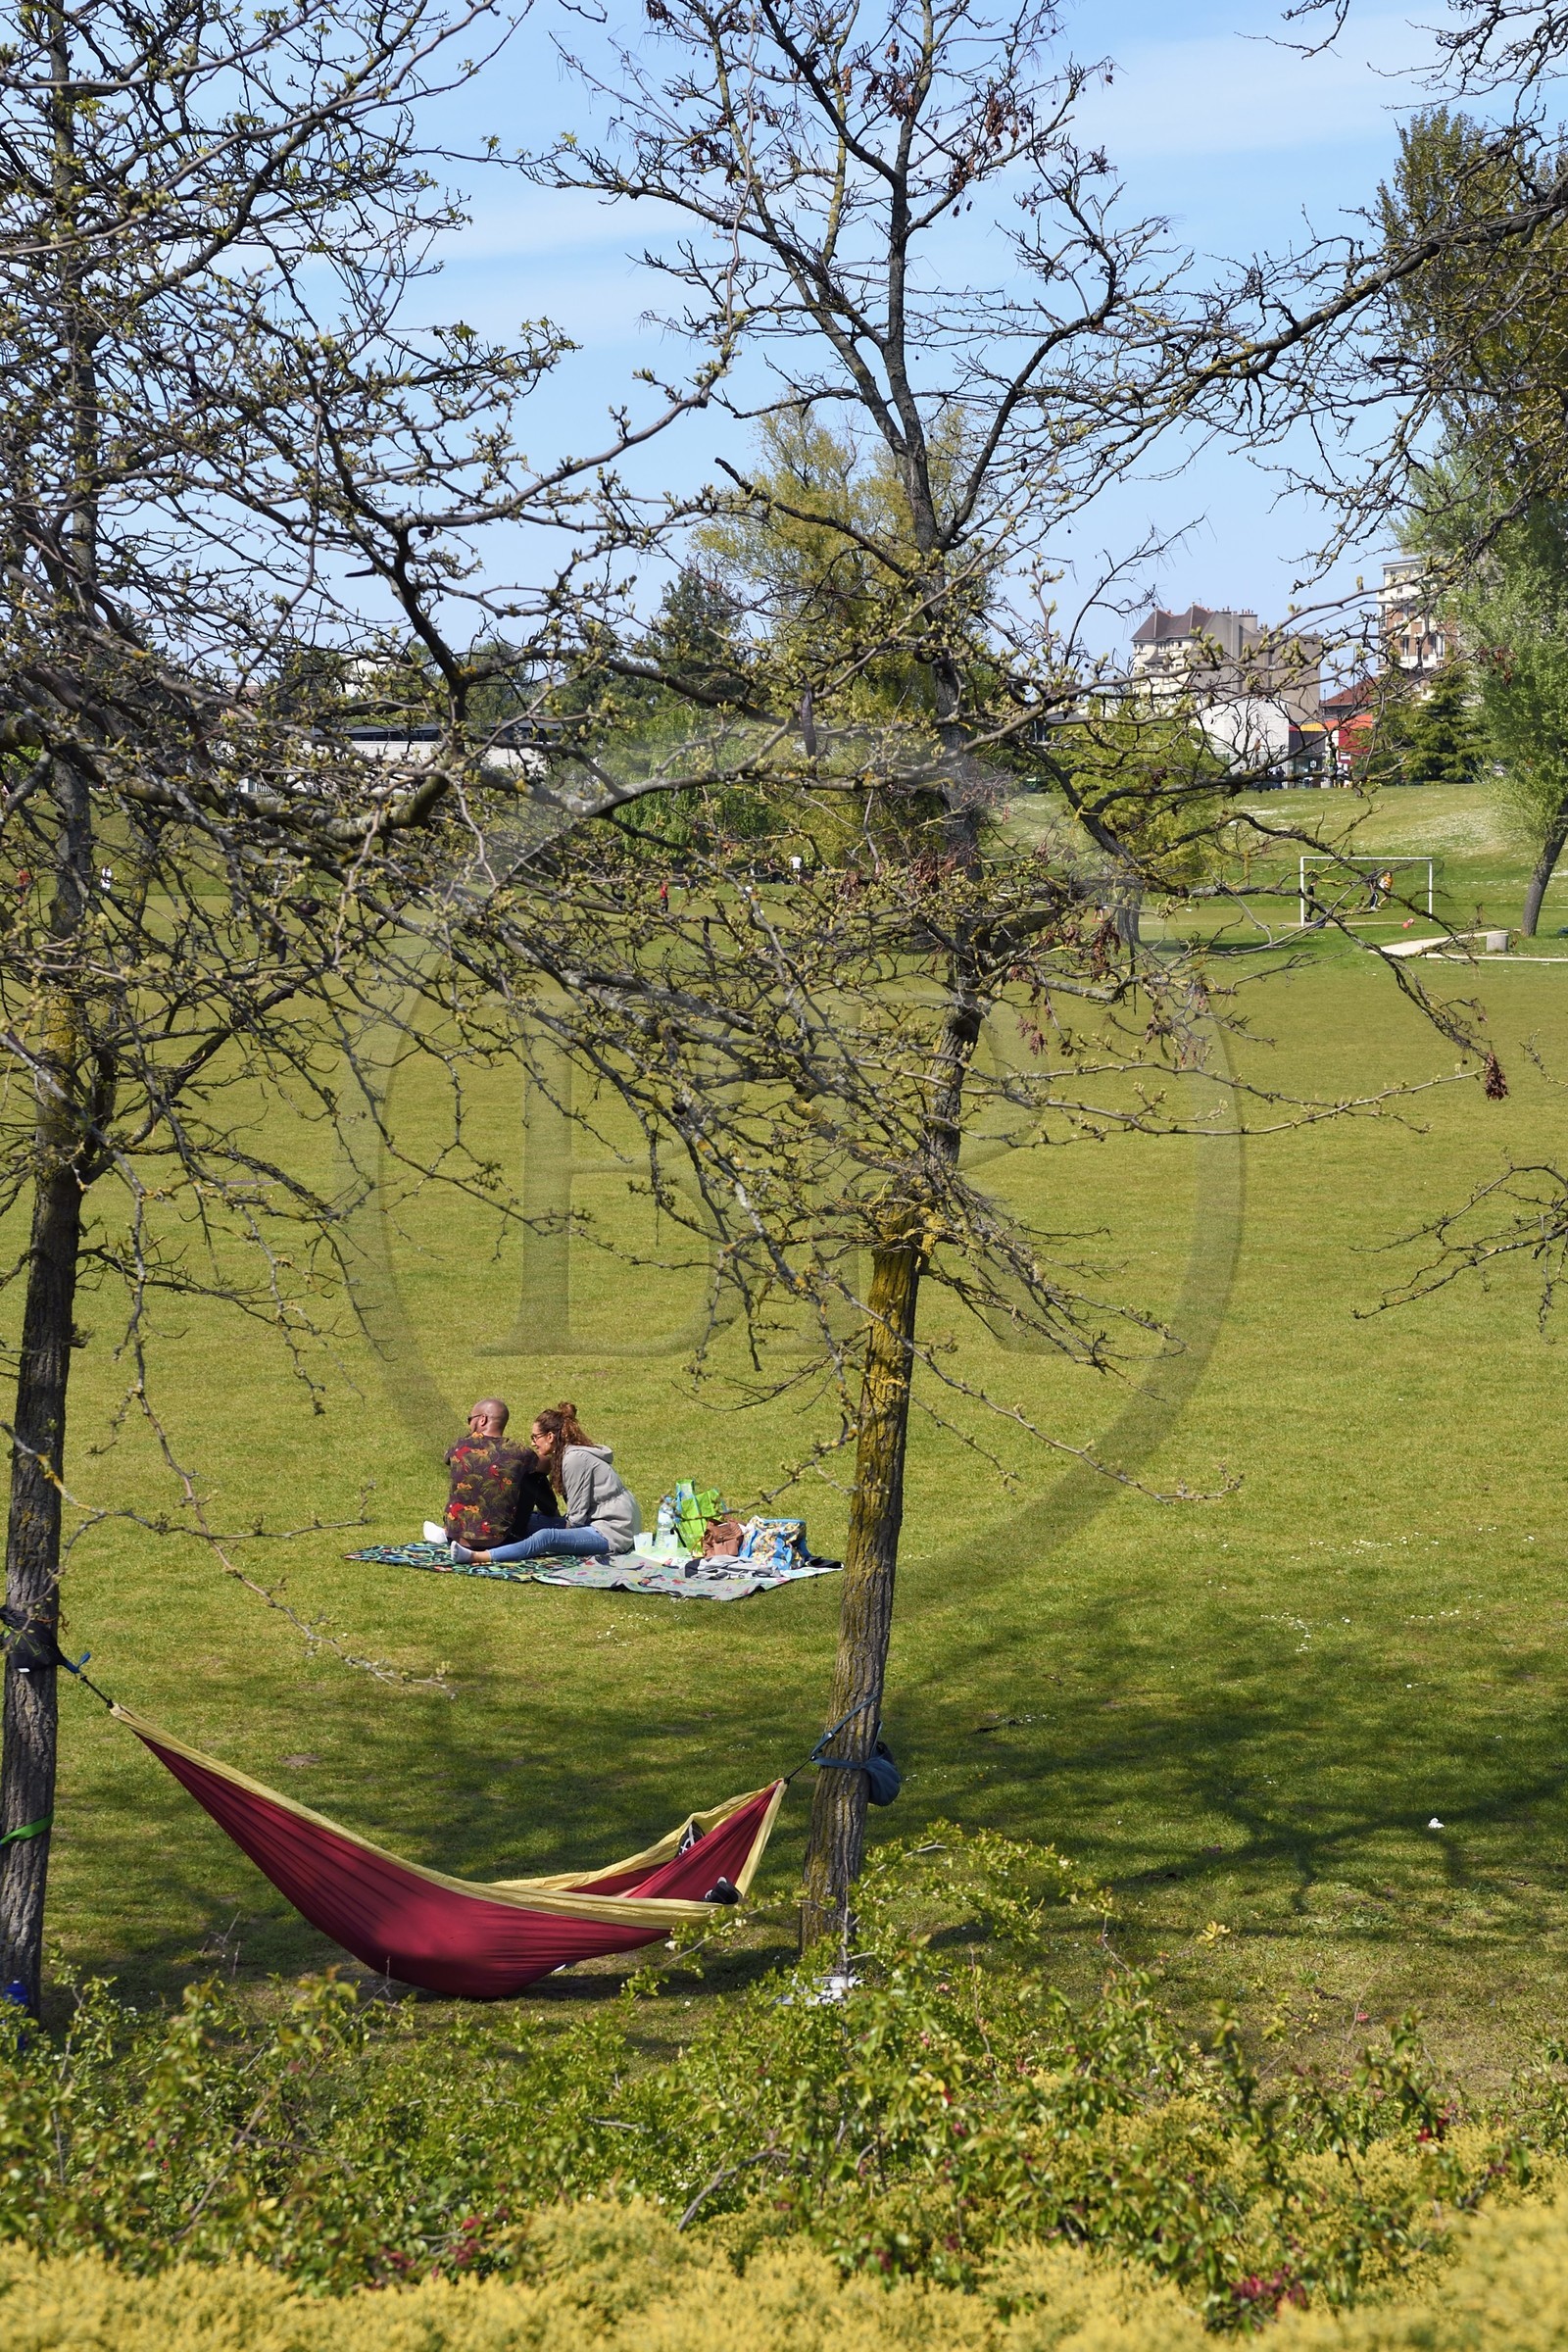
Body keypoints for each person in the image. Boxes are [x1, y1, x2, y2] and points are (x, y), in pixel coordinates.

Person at [452, 1400, 639, 1565]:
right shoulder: (566, 1456)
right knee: (521, 1519)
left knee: (546, 1537)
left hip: (612, 1532)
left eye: (535, 1437)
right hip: (595, 1523)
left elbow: (576, 1521)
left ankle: (477, 1556)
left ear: (550, 1436)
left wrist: (551, 1525)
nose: (533, 1443)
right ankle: (450, 1534)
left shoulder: (575, 1459)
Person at [443, 1399, 559, 1552]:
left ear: (482, 1419)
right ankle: (553, 1517)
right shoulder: (518, 1452)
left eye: (470, 1419)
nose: (469, 1424)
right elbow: (546, 1466)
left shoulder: (459, 1445)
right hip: (501, 1541)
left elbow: (447, 1459)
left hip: (455, 1537)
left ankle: (446, 1531)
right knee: (534, 1475)